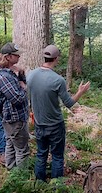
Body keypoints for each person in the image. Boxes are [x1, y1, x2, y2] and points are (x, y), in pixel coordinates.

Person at [27, 44, 90, 182]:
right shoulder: (58, 80)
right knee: (57, 156)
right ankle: (57, 186)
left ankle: (39, 183)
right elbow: (69, 103)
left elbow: (27, 94)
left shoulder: (31, 75)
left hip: (39, 123)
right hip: (55, 125)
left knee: (41, 154)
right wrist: (81, 92)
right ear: (56, 59)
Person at [0, 41, 30, 170]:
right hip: (15, 119)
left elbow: (19, 87)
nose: (19, 57)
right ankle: (21, 178)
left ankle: (11, 172)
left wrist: (21, 76)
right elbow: (17, 99)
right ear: (8, 57)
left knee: (11, 144)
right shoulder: (4, 77)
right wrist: (24, 88)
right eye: (16, 55)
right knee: (22, 150)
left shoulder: (9, 73)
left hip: (14, 118)